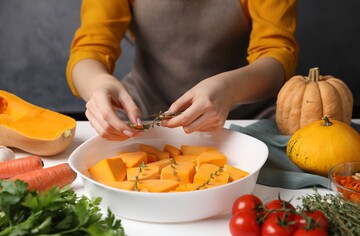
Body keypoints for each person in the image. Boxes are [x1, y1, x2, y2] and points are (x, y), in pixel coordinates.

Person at [66, 0, 298, 141]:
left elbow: (277, 56)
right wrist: (98, 84)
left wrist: (228, 89)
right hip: (143, 117)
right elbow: (89, 50)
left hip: (245, 120)